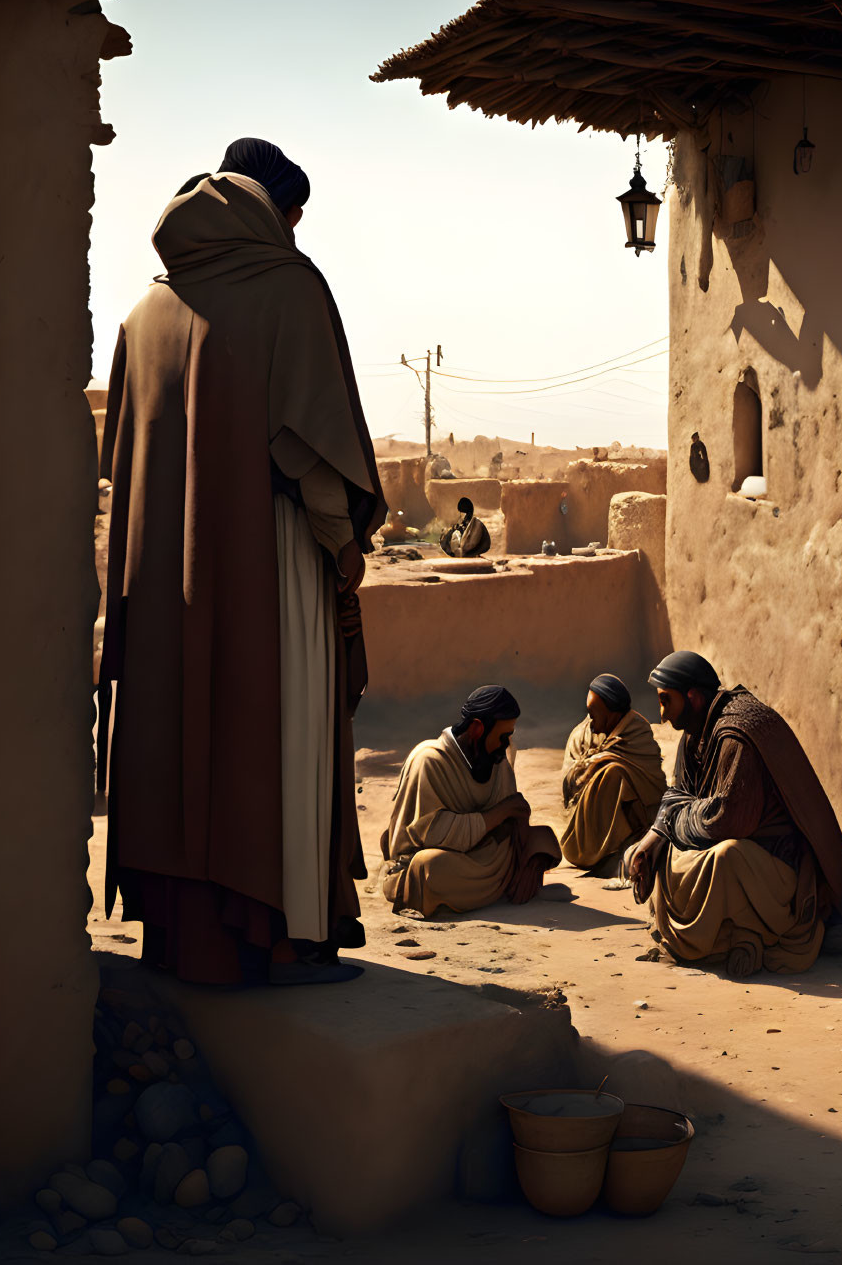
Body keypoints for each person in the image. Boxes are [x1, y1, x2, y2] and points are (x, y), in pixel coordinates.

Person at [98, 138, 384, 986]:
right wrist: (341, 550)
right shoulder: (287, 287)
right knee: (279, 740)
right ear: (275, 211)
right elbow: (317, 453)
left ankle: (187, 937)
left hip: (161, 586)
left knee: (177, 738)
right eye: (292, 216)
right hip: (270, 563)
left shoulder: (146, 313)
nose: (295, 232)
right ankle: (282, 935)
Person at [620, 651, 842, 978]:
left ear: (693, 697)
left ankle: (743, 936)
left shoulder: (735, 734)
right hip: (727, 848)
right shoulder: (695, 734)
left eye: (665, 701)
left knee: (725, 858)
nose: (662, 715)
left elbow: (729, 820)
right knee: (661, 850)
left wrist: (677, 817)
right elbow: (678, 798)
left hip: (778, 869)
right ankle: (732, 937)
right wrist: (650, 841)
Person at [379, 686, 560, 916]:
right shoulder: (430, 760)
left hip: (485, 858)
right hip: (444, 859)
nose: (506, 745)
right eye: (503, 737)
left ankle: (502, 883)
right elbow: (434, 833)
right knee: (429, 867)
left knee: (543, 841)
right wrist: (501, 813)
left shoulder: (497, 761)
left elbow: (510, 825)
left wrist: (528, 857)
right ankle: (498, 887)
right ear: (477, 729)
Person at [557, 674, 667, 874]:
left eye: (594, 713)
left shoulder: (638, 732)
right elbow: (568, 783)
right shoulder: (581, 735)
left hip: (635, 822)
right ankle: (595, 850)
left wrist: (604, 762)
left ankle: (621, 846)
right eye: (588, 712)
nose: (590, 720)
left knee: (615, 772)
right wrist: (589, 765)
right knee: (613, 770)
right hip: (581, 826)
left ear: (613, 714)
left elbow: (654, 783)